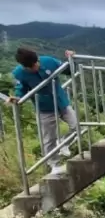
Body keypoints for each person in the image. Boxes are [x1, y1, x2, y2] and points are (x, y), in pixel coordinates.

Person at [4, 47, 77, 175]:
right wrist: (17, 98)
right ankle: (54, 165)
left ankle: (64, 142)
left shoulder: (49, 61)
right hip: (44, 108)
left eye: (36, 63)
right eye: (31, 67)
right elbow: (20, 90)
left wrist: (71, 59)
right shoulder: (19, 73)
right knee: (49, 139)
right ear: (24, 66)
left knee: (76, 126)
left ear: (38, 59)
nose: (35, 67)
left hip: (62, 102)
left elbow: (70, 70)